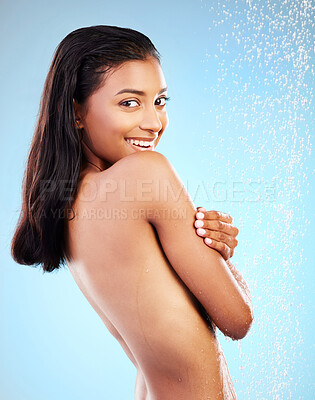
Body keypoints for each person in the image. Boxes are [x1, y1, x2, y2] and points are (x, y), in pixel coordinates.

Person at [11, 25, 253, 399]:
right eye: (129, 102)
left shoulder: (70, 205)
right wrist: (220, 254)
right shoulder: (146, 173)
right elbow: (238, 320)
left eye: (159, 101)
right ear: (76, 111)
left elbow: (150, 360)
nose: (154, 123)